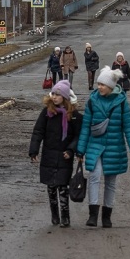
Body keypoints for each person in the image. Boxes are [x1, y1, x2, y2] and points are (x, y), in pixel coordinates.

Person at [76, 67, 130, 228]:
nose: (99, 87)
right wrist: (80, 150)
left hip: (114, 146)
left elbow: (129, 128)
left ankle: (107, 216)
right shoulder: (92, 101)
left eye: (102, 84)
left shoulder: (121, 103)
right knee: (95, 175)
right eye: (98, 84)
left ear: (111, 86)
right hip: (95, 145)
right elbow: (85, 127)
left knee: (111, 180)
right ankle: (93, 214)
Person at [30, 80, 82, 228]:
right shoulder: (47, 113)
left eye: (58, 95)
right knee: (51, 187)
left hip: (64, 155)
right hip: (48, 154)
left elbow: (79, 135)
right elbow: (38, 131)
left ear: (65, 97)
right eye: (53, 93)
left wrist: (71, 150)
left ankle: (65, 216)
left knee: (63, 186)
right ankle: (54, 214)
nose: (54, 97)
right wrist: (34, 149)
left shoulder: (74, 115)